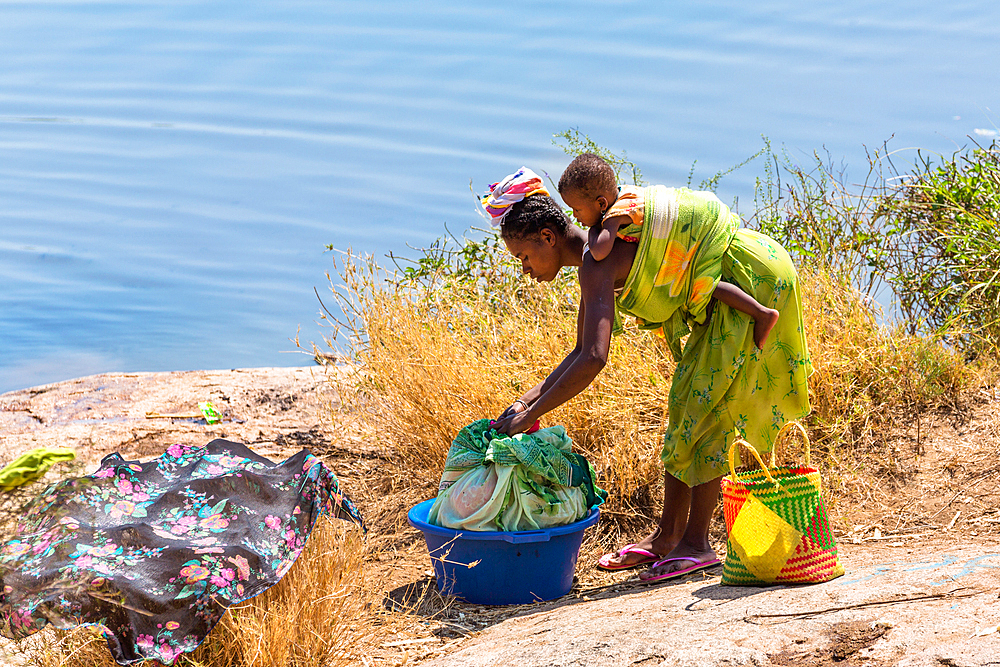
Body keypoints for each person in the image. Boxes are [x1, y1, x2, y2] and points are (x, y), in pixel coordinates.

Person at [483, 165, 812, 582]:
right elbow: (580, 350)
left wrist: (533, 413)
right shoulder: (594, 260)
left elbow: (594, 358)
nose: (524, 268)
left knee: (704, 407)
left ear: (547, 236)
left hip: (753, 278)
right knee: (688, 404)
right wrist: (527, 402)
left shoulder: (596, 265)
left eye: (523, 257)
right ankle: (668, 538)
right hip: (750, 270)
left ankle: (696, 545)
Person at [559, 153, 779, 350]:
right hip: (697, 217)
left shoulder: (615, 215)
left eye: (576, 209)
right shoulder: (624, 195)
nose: (574, 216)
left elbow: (599, 251)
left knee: (704, 284)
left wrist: (595, 228)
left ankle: (762, 313)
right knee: (699, 284)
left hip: (701, 227)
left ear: (601, 203)